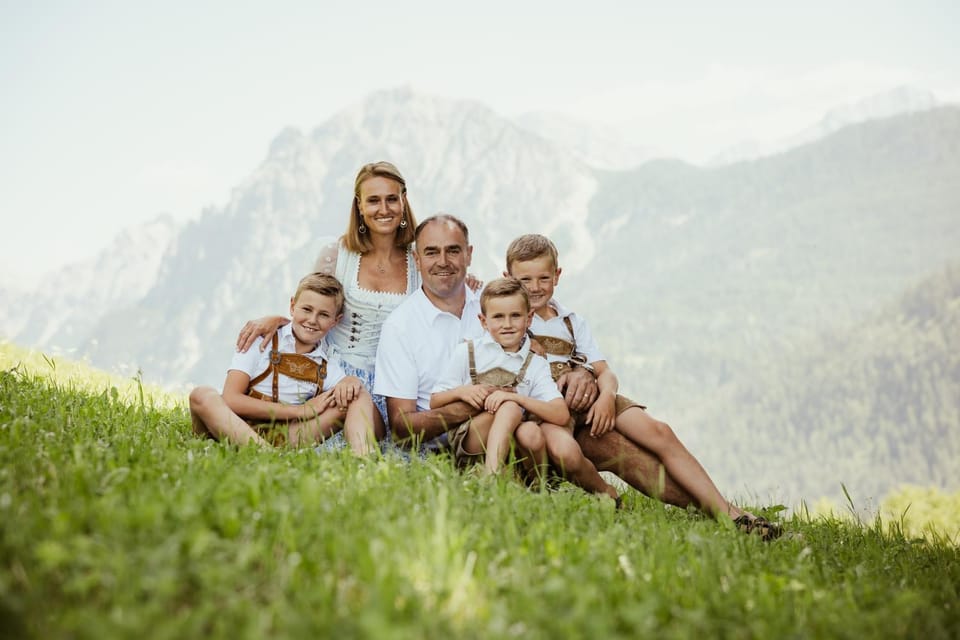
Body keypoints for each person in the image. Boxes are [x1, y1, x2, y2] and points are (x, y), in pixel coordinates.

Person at [504, 234, 782, 539]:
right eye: (524, 280)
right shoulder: (511, 320)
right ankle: (715, 515)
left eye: (543, 278)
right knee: (609, 453)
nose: (534, 287)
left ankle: (730, 512)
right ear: (508, 278)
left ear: (558, 275)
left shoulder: (571, 321)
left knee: (660, 432)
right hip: (553, 407)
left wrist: (606, 397)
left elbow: (605, 371)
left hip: (591, 399)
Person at [236, 161, 420, 444]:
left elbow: (450, 294)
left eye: (391, 199)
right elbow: (314, 306)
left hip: (396, 385)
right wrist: (278, 319)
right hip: (335, 378)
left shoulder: (419, 260)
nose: (384, 209)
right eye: (373, 201)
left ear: (403, 200)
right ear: (359, 206)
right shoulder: (336, 254)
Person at [373, 215, 546, 471]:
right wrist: (475, 402)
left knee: (597, 430)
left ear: (469, 255)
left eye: (453, 251)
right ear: (416, 259)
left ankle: (612, 500)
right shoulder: (401, 326)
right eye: (431, 252)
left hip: (519, 425)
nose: (443, 262)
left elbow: (546, 325)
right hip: (444, 446)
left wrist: (582, 371)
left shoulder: (494, 303)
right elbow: (403, 430)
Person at [430, 278, 620, 501]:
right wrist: (462, 391)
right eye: (498, 317)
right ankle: (490, 479)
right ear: (483, 321)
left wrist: (520, 400)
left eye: (515, 316)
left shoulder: (535, 363)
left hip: (512, 445)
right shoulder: (468, 352)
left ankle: (539, 489)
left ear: (528, 318)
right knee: (510, 407)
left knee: (526, 427)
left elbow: (560, 414)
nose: (507, 324)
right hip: (470, 440)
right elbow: (435, 400)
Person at [190, 272, 382, 455]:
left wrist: (352, 383)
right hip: (231, 427)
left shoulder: (328, 364)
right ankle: (264, 453)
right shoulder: (261, 339)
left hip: (285, 437)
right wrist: (299, 411)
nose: (312, 320)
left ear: (335, 321)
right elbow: (231, 399)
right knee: (201, 394)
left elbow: (379, 431)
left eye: (324, 315)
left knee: (355, 392)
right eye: (306, 309)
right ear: (292, 306)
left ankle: (362, 459)